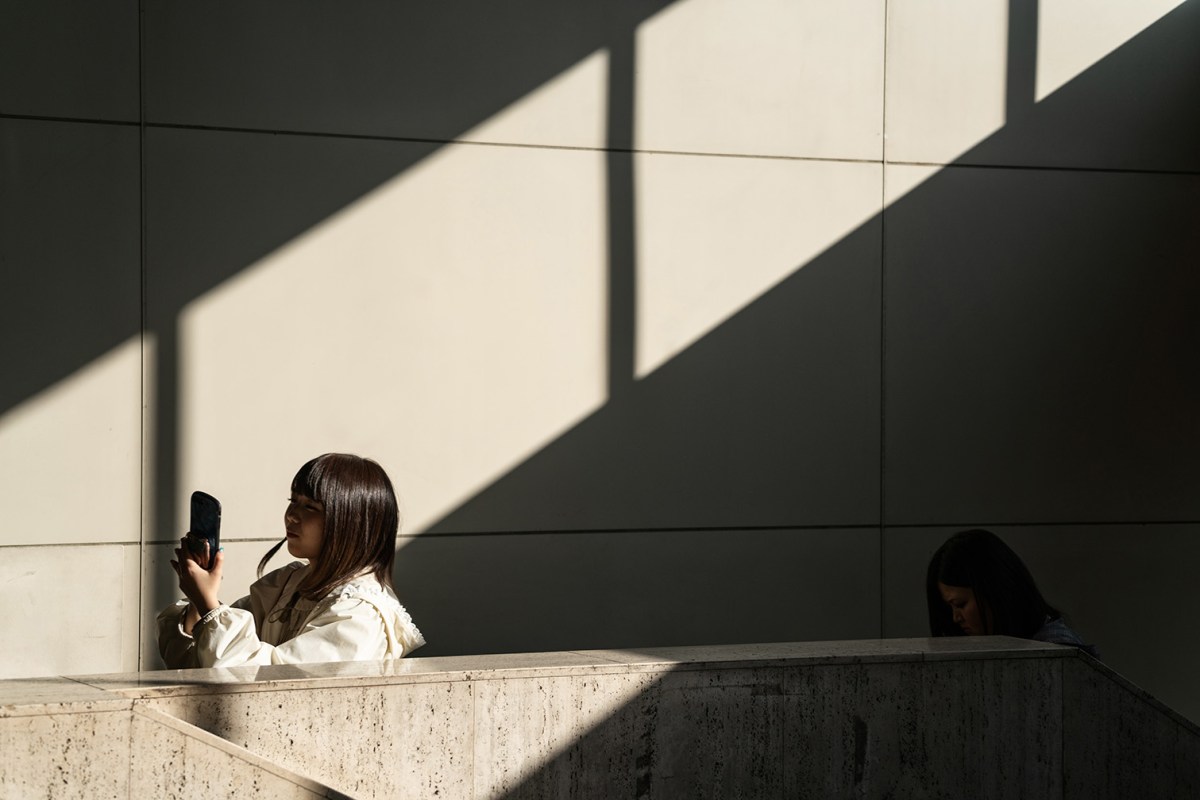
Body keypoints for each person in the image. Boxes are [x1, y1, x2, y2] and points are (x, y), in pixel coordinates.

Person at [158, 453, 425, 669]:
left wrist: (209, 604)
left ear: (351, 523)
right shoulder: (287, 583)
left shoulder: (360, 614)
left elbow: (267, 683)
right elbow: (194, 664)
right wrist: (198, 600)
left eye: (310, 507)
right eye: (293, 501)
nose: (292, 515)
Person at [926, 528, 1097, 657]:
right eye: (950, 608)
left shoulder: (1056, 654)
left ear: (994, 592)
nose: (956, 617)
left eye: (960, 605)